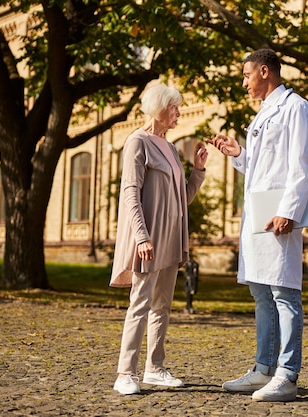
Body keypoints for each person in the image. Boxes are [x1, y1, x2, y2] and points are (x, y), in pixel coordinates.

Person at [207, 49, 308, 402]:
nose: (244, 83)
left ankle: (287, 373)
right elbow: (261, 168)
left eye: (246, 75)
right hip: (257, 213)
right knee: (260, 291)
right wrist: (239, 154)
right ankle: (264, 368)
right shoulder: (264, 113)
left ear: (264, 71)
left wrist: (290, 211)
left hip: (278, 215)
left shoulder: (296, 107)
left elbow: (300, 165)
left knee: (284, 293)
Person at [109, 83, 208, 395]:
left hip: (172, 239)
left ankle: (155, 368)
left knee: (162, 306)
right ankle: (125, 373)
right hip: (148, 239)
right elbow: (130, 193)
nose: (179, 113)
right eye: (174, 107)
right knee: (140, 303)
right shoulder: (137, 142)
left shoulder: (169, 147)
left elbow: (183, 198)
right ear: (159, 108)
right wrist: (141, 236)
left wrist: (198, 171)